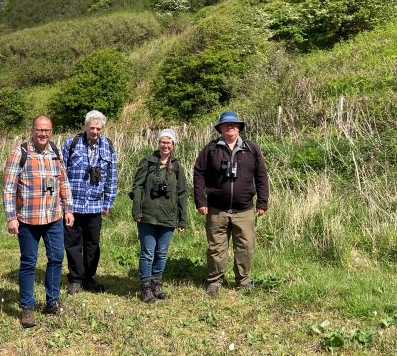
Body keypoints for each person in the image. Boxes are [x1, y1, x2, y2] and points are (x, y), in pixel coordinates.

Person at [2, 115, 74, 328]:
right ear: (32, 130)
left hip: (53, 218)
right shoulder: (19, 153)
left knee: (56, 259)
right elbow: (8, 188)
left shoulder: (55, 151)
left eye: (47, 130)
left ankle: (52, 302)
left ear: (51, 131)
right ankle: (27, 308)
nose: (43, 134)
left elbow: (63, 182)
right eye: (39, 130)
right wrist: (11, 217)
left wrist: (68, 209)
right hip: (28, 220)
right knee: (28, 263)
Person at [193, 111, 269, 296]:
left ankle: (243, 280)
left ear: (239, 128)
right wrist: (200, 200)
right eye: (226, 125)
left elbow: (261, 175)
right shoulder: (211, 149)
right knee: (216, 247)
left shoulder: (251, 148)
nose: (230, 127)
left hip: (244, 209)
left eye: (234, 125)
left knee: (245, 246)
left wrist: (262, 201)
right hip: (216, 208)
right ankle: (214, 281)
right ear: (220, 128)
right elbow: (198, 173)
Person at [61, 110, 118, 294]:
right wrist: (63, 203)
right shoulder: (71, 143)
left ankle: (89, 277)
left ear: (102, 129)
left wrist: (108, 201)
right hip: (73, 205)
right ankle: (76, 279)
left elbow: (112, 176)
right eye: (91, 127)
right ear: (85, 127)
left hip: (95, 205)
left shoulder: (108, 146)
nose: (94, 131)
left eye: (98, 128)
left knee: (92, 244)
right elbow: (61, 174)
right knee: (73, 243)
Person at [131, 128, 188, 303]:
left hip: (168, 217)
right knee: (147, 252)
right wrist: (137, 211)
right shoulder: (147, 162)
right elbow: (137, 187)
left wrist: (182, 218)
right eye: (163, 142)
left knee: (162, 253)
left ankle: (156, 283)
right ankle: (145, 287)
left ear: (173, 145)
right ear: (158, 143)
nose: (165, 145)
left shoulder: (177, 167)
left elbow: (182, 193)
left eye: (169, 142)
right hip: (147, 215)